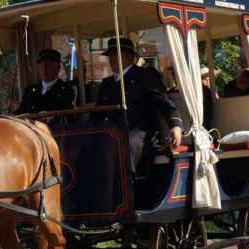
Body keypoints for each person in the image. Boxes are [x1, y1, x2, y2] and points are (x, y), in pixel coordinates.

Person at [90, 37, 182, 173]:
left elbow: (164, 102)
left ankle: (125, 189)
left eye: (116, 55)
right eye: (110, 56)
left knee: (124, 145)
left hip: (140, 133)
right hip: (113, 132)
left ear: (129, 56)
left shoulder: (145, 76)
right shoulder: (107, 84)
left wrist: (175, 125)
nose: (112, 60)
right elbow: (97, 114)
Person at [14, 49, 76, 124]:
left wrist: (52, 117)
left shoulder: (66, 90)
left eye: (48, 66)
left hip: (54, 132)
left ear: (58, 68)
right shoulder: (30, 90)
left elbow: (68, 116)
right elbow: (21, 111)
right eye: (41, 66)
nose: (44, 69)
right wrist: (10, 116)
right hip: (30, 132)